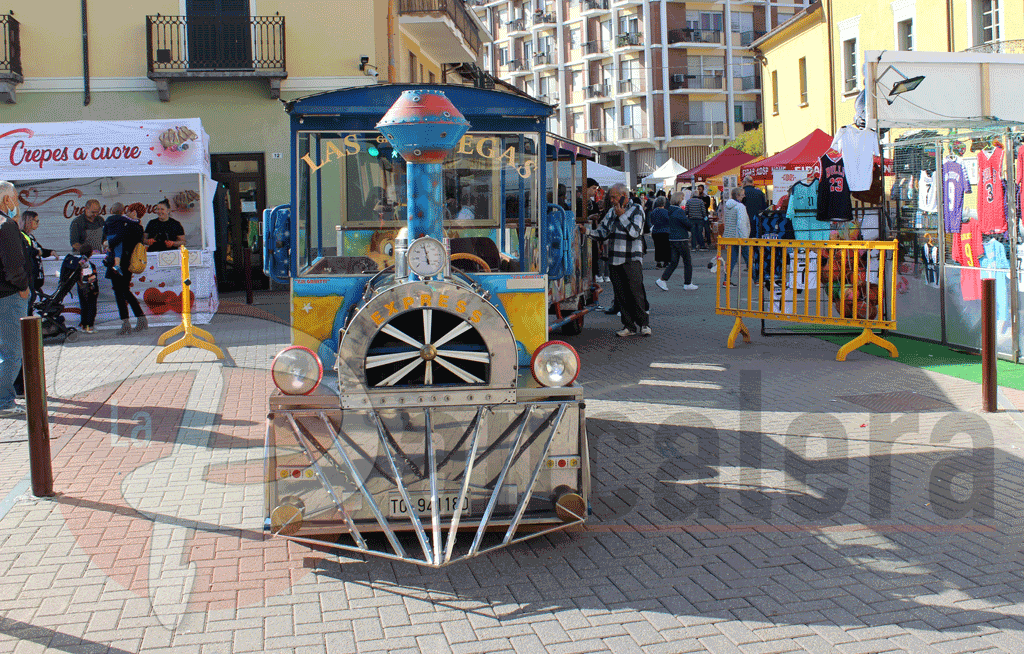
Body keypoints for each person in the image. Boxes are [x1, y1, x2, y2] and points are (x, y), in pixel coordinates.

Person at [590, 183, 650, 337]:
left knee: (636, 292)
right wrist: (588, 232)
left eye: (615, 197)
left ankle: (644, 323)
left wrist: (622, 216)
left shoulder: (637, 210)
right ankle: (628, 325)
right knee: (621, 294)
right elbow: (603, 232)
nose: (612, 200)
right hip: (615, 258)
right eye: (611, 197)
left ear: (624, 195)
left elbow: (635, 233)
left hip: (631, 258)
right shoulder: (611, 212)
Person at [0, 181, 31, 418]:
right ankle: (3, 401)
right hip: (8, 295)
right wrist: (22, 287)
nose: (17, 202)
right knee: (11, 351)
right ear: (6, 200)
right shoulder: (5, 225)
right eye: (15, 198)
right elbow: (13, 263)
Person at [106, 202, 148, 335]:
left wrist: (108, 243)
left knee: (120, 292)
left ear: (133, 212)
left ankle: (127, 321)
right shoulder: (138, 228)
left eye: (128, 210)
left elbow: (117, 240)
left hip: (120, 262)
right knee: (124, 291)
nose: (126, 213)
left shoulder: (129, 226)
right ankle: (139, 318)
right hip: (128, 263)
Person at [657, 192, 698, 292]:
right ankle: (687, 283)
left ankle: (662, 279)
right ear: (679, 199)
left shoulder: (669, 210)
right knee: (687, 261)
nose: (684, 199)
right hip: (681, 239)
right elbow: (687, 224)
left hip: (672, 238)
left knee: (674, 262)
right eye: (683, 197)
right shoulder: (679, 211)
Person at [19, 211, 53, 315]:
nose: (38, 223)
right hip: (29, 274)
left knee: (33, 299)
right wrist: (38, 252)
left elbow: (40, 249)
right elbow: (29, 251)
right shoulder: (22, 236)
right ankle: (26, 323)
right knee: (29, 300)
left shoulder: (31, 237)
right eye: (36, 221)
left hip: (36, 275)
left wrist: (50, 252)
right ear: (29, 221)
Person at [722, 186, 750, 286]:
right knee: (749, 259)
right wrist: (745, 238)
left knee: (731, 259)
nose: (744, 196)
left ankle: (726, 280)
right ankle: (757, 279)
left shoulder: (728, 206)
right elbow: (741, 223)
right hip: (739, 237)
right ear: (738, 195)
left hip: (730, 235)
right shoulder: (740, 207)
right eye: (742, 194)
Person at [76, 243, 99, 333]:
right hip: (89, 288)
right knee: (91, 307)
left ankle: (84, 325)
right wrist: (94, 281)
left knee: (84, 307)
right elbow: (88, 277)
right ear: (90, 253)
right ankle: (89, 326)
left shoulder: (79, 262)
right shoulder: (87, 264)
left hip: (81, 287)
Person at [649, 196, 670, 268]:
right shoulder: (666, 212)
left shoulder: (653, 212)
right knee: (666, 247)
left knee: (657, 247)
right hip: (665, 231)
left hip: (656, 231)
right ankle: (666, 262)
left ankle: (658, 262)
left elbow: (651, 221)